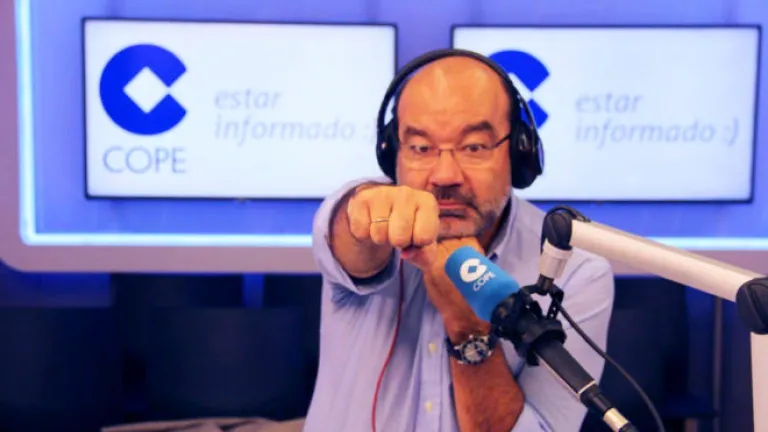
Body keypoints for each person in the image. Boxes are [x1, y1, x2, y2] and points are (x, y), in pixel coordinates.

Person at [304, 49, 615, 432]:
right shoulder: (372, 214)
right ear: (393, 153)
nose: (445, 175)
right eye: (421, 148)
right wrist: (365, 213)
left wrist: (469, 329)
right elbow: (350, 234)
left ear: (518, 153)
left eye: (474, 147)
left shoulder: (575, 272)